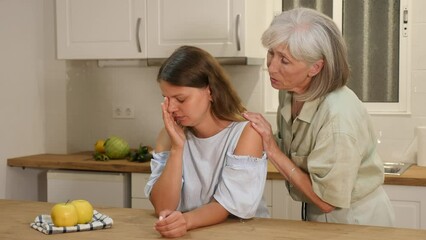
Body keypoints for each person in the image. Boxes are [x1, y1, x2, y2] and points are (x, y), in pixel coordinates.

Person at [243, 8, 395, 227]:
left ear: (315, 67)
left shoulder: (338, 117)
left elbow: (326, 201)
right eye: (271, 53)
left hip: (356, 221)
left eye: (284, 60)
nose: (271, 67)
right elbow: (293, 147)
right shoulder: (289, 91)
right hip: (319, 215)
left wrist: (271, 149)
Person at [144, 45, 269, 238]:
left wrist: (185, 221)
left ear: (210, 91)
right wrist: (177, 149)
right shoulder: (168, 136)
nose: (172, 108)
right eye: (167, 99)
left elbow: (229, 204)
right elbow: (163, 206)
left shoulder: (247, 133)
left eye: (181, 99)